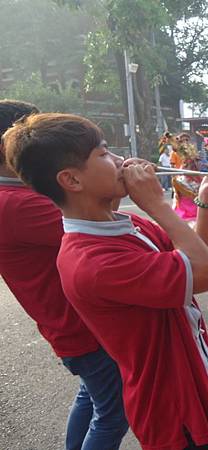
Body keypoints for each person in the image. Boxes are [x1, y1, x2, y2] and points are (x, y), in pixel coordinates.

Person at [4, 113, 208, 450]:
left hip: (190, 383)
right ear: (71, 180)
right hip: (170, 406)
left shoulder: (125, 224)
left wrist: (204, 200)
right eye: (104, 154)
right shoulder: (93, 261)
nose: (122, 161)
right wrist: (155, 202)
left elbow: (197, 260)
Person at [0, 101, 128, 449]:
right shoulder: (18, 204)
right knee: (113, 414)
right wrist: (114, 188)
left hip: (69, 326)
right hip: (82, 328)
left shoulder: (15, 196)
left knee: (94, 399)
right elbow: (105, 230)